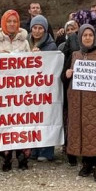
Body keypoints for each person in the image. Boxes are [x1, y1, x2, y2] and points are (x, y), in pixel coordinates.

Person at [63, 25, 96, 182]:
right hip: (78, 102)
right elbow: (63, 78)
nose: (88, 38)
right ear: (80, 38)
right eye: (85, 35)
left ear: (95, 37)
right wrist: (67, 74)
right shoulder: (74, 55)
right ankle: (86, 164)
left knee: (94, 133)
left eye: (91, 35)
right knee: (81, 132)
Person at [0, 10, 31, 170]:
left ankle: (22, 156)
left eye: (15, 21)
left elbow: (31, 65)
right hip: (3, 92)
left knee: (21, 122)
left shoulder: (25, 42)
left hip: (21, 90)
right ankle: (6, 157)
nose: (12, 24)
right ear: (3, 23)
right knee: (5, 124)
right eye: (9, 21)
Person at [27, 15, 58, 162]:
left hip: (45, 89)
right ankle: (33, 149)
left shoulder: (51, 46)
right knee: (32, 119)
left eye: (40, 28)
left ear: (45, 30)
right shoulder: (26, 43)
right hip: (29, 88)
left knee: (46, 119)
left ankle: (46, 151)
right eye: (35, 28)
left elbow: (52, 67)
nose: (37, 31)